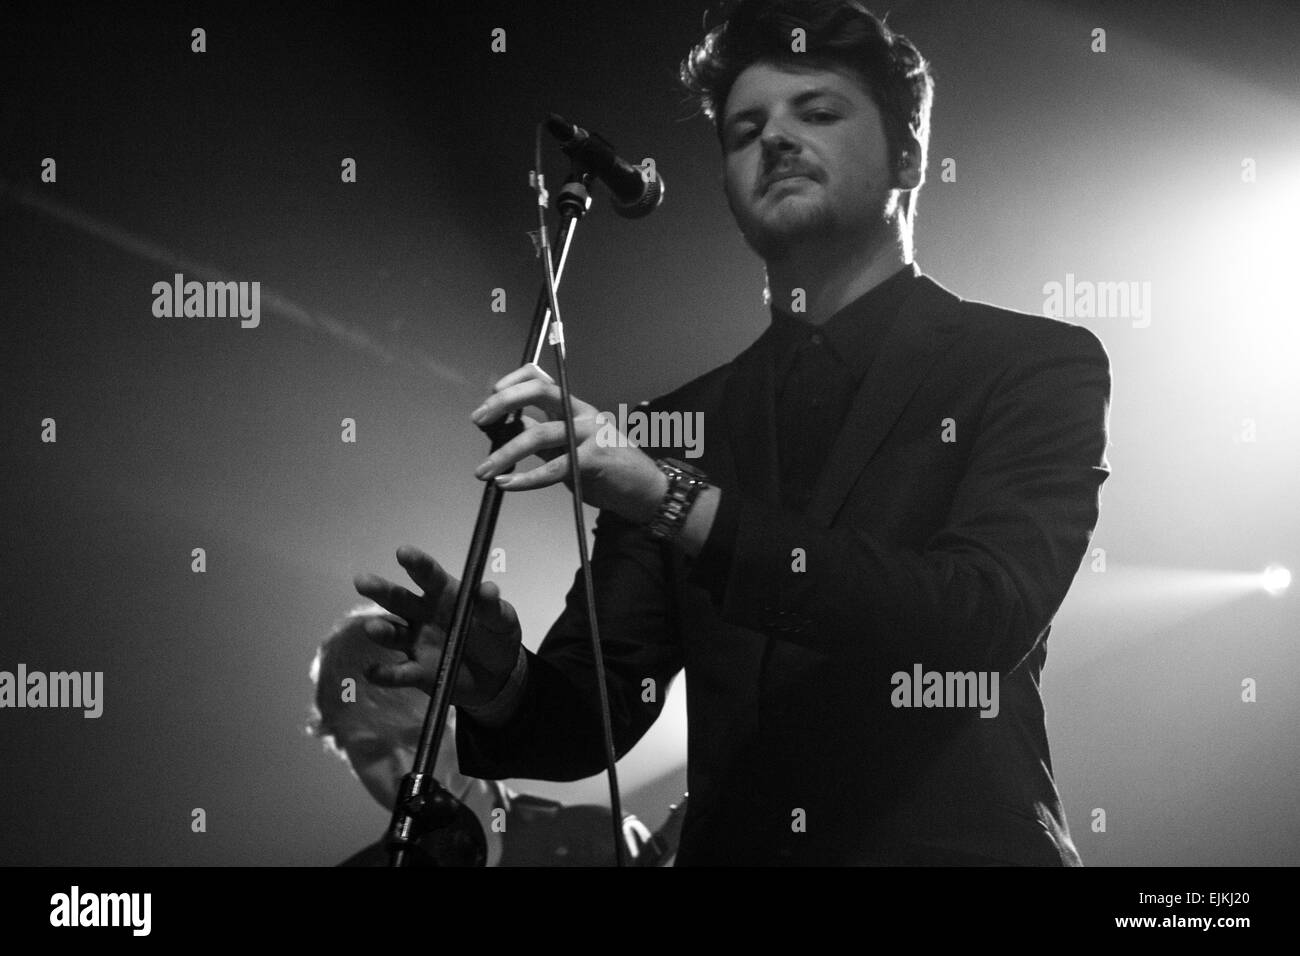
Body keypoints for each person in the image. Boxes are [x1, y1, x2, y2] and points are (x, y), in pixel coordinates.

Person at [354, 0, 1111, 865]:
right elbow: (591, 719)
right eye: (745, 130)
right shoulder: (679, 425)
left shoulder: (1030, 362)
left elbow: (980, 614)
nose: (776, 141)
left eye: (817, 113)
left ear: (909, 156)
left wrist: (673, 499)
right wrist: (498, 676)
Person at [308, 604, 659, 866]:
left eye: (417, 737)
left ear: (462, 710)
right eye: (371, 751)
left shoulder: (593, 841)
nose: (403, 770)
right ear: (340, 750)